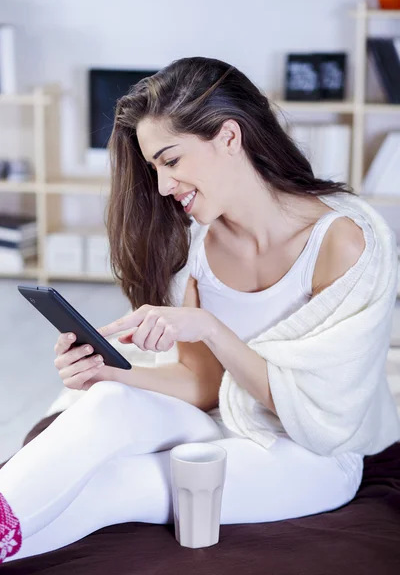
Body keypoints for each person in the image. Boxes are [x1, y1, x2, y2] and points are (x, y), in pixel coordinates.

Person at [1, 56, 399, 563]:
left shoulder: (346, 243)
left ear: (229, 137)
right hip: (224, 421)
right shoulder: (200, 250)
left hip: (309, 455)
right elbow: (205, 386)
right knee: (107, 404)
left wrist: (210, 328)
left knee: (117, 484)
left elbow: (322, 415)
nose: (164, 186)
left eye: (171, 160)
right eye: (155, 168)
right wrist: (109, 373)